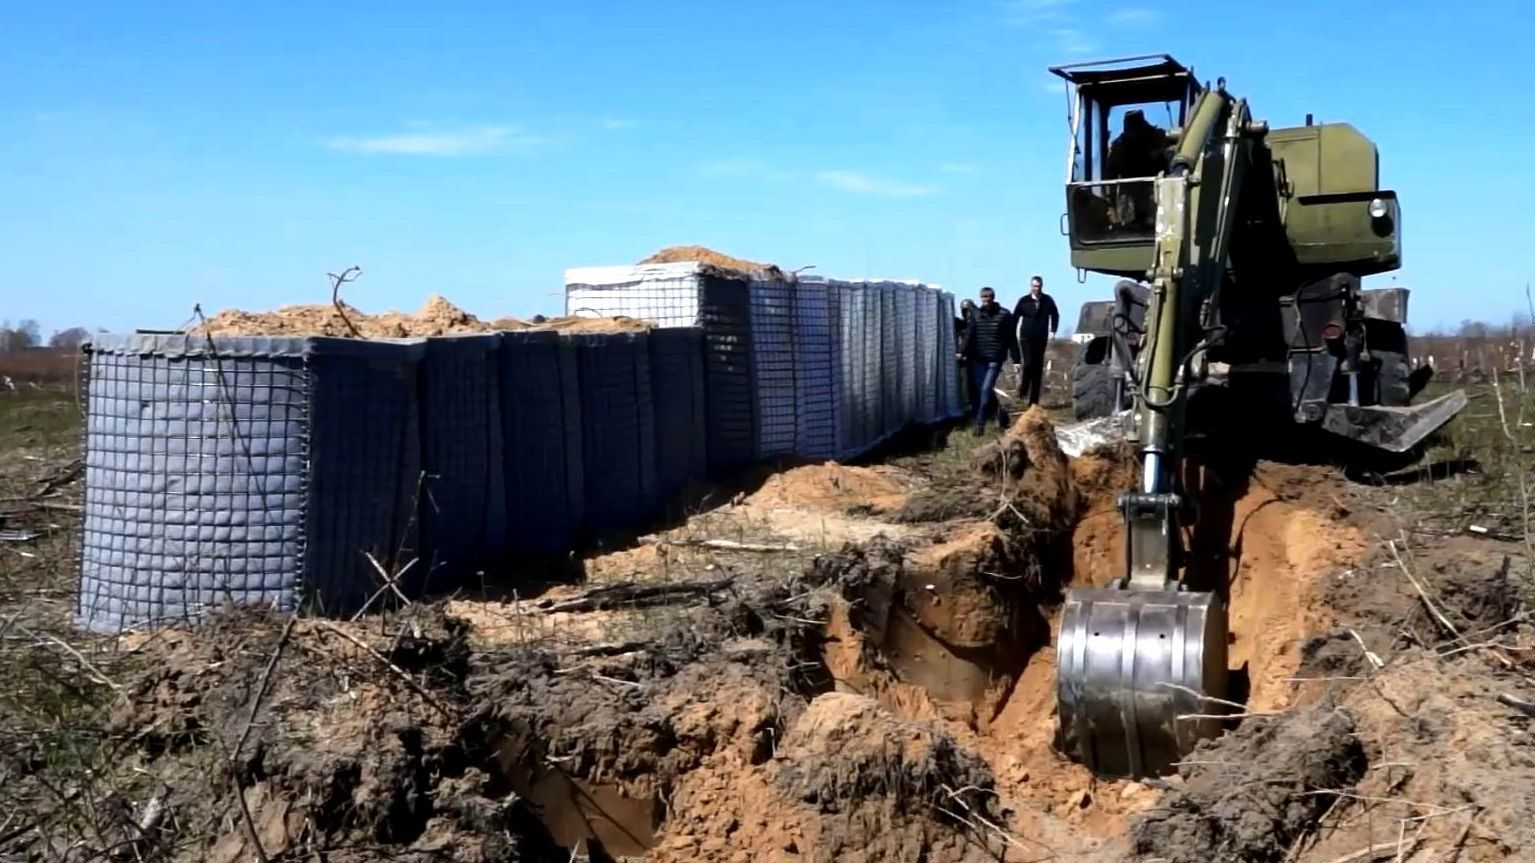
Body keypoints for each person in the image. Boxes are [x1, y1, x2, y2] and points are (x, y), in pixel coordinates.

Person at [956, 287, 1019, 435]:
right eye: (983, 299)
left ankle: (980, 424)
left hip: (995, 358)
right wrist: (961, 351)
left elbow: (1011, 338)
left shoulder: (1004, 315)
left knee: (985, 389)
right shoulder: (977, 316)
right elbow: (970, 335)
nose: (986, 302)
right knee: (983, 391)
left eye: (988, 299)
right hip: (979, 358)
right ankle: (1001, 416)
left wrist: (1017, 360)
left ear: (993, 298)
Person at [1012, 275, 1059, 407]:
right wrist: (1011, 333)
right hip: (1026, 337)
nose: (1036, 289)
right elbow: (1015, 317)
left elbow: (1055, 315)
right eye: (1034, 286)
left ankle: (1034, 401)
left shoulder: (1047, 300)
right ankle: (1023, 391)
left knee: (1038, 367)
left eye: (1038, 286)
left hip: (1041, 337)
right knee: (1028, 364)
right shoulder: (1024, 301)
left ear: (1041, 287)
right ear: (1030, 286)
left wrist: (1053, 331)